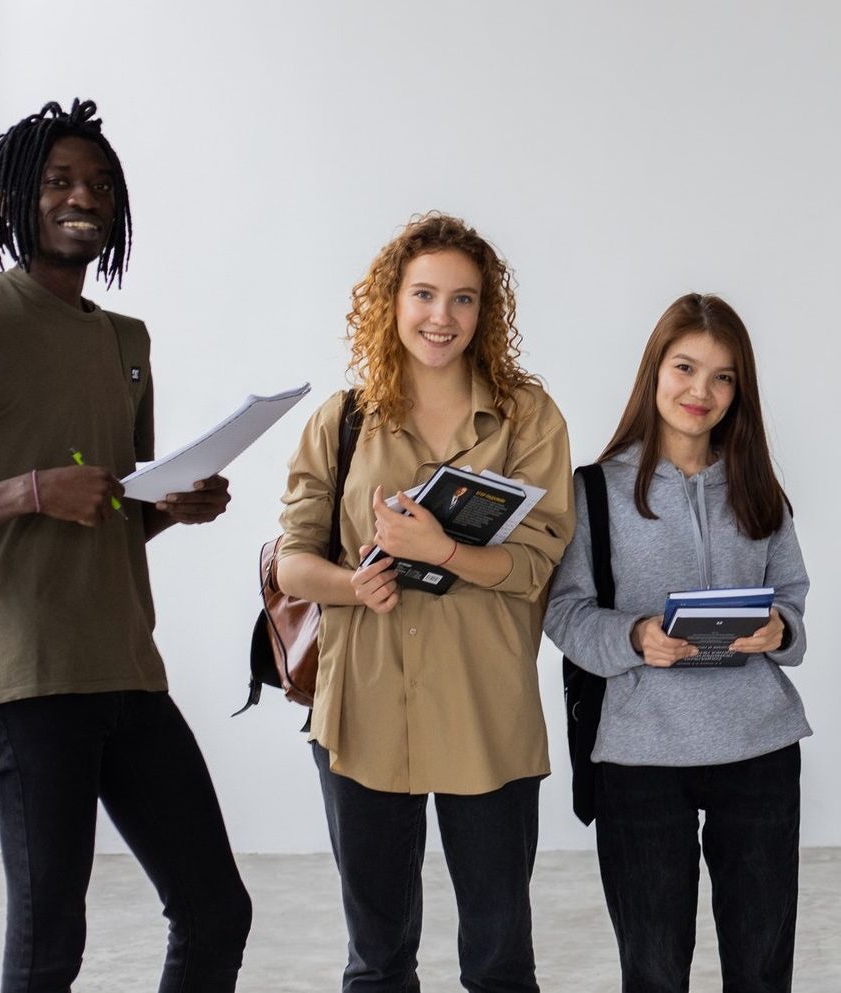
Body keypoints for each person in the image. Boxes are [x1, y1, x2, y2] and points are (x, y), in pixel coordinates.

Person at [0, 99, 251, 993]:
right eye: (60, 180)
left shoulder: (126, 342)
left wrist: (170, 507)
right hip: (22, 675)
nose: (85, 196)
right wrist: (28, 489)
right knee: (48, 947)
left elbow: (108, 515)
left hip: (124, 668)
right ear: (16, 197)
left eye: (101, 184)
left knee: (216, 908)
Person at [277, 213, 574, 992]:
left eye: (464, 299)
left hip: (485, 705)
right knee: (376, 960)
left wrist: (441, 551)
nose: (442, 317)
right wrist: (352, 584)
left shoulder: (528, 417)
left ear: (486, 312)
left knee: (501, 957)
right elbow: (292, 561)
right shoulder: (340, 419)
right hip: (364, 706)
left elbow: (541, 558)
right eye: (424, 294)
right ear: (392, 301)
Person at [543, 293, 811, 993]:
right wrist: (632, 635)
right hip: (639, 757)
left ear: (739, 389)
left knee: (760, 970)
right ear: (654, 370)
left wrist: (781, 628)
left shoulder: (760, 490)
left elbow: (792, 599)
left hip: (759, 748)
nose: (701, 391)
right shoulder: (593, 491)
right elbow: (564, 614)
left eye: (723, 376)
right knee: (655, 971)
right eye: (686, 367)